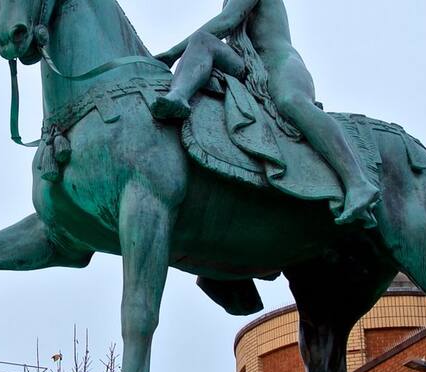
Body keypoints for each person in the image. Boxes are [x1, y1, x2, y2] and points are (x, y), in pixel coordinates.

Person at [152, 0, 381, 226]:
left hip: (278, 62)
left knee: (292, 102)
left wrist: (172, 54)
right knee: (203, 41)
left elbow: (228, 21)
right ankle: (178, 95)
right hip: (248, 65)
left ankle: (358, 183)